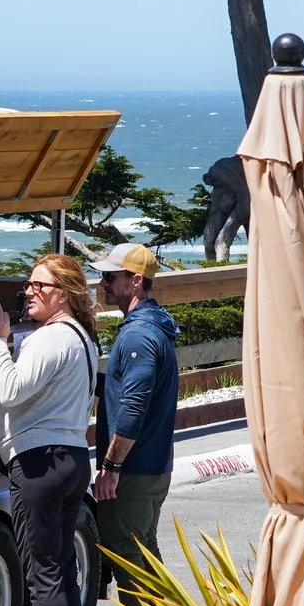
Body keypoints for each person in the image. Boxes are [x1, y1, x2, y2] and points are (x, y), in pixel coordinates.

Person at [0, 251, 100, 606]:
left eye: (41, 286)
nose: (29, 291)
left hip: (40, 463)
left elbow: (11, 391)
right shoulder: (83, 338)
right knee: (63, 570)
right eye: (29, 284)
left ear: (66, 293)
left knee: (43, 573)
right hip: (71, 456)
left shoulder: (51, 339)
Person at [90, 242, 179, 572]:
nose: (103, 284)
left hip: (134, 470)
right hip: (154, 466)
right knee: (144, 548)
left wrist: (110, 467)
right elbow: (125, 388)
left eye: (111, 277)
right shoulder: (157, 325)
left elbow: (133, 406)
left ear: (136, 281)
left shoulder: (139, 336)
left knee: (125, 555)